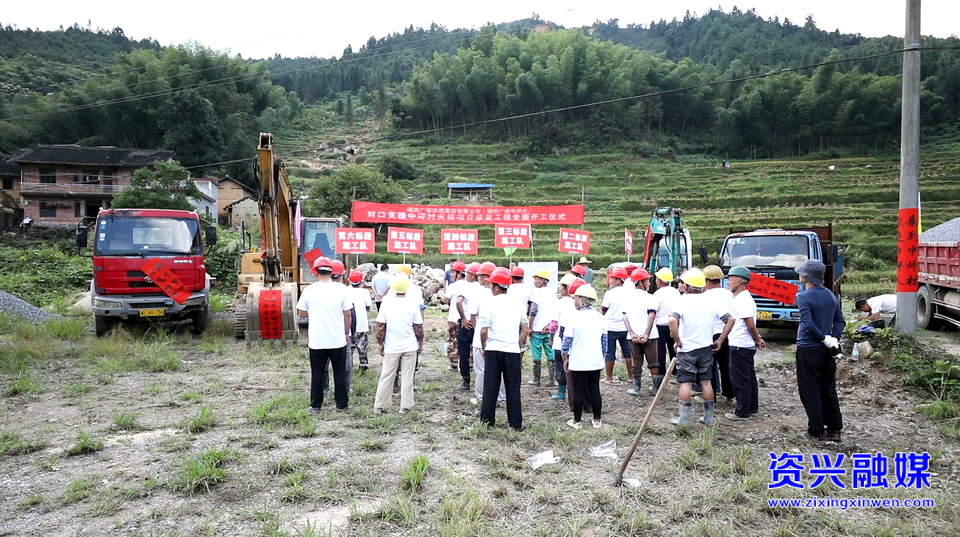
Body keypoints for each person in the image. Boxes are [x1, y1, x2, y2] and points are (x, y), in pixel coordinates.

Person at [794, 259, 845, 442]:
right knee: (828, 389)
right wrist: (833, 338)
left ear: (806, 276)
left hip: (808, 349)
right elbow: (840, 321)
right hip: (827, 351)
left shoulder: (803, 296)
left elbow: (807, 324)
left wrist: (822, 337)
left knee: (810, 390)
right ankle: (834, 429)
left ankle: (815, 430)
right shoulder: (830, 295)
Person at [296, 257, 353, 413]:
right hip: (337, 340)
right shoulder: (342, 290)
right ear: (332, 271)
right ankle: (342, 404)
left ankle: (315, 405)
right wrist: (346, 333)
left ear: (315, 272)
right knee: (339, 373)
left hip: (317, 340)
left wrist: (315, 313)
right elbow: (347, 314)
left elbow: (301, 312)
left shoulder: (309, 290)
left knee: (318, 373)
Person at [712, 266, 766, 421]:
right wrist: (721, 339)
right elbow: (732, 321)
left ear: (741, 281)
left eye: (731, 278)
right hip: (739, 344)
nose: (727, 281)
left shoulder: (744, 300)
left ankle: (742, 412)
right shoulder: (737, 299)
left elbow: (750, 325)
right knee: (748, 376)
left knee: (740, 378)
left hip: (741, 345)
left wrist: (757, 338)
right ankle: (751, 408)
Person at [668, 268, 720, 426]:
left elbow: (671, 321)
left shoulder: (682, 301)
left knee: (686, 383)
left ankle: (684, 420)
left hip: (688, 349)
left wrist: (677, 340)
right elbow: (729, 318)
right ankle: (709, 418)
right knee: (706, 382)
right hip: (705, 348)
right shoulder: (710, 301)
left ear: (688, 285)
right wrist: (721, 339)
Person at [479, 268, 528, 430]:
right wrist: (518, 345)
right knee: (513, 389)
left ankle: (487, 423)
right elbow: (525, 330)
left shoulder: (489, 303)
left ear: (497, 287)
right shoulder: (519, 304)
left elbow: (484, 330)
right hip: (512, 351)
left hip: (493, 349)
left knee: (490, 387)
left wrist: (484, 347)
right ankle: (515, 424)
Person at [373, 273, 423, 414]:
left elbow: (380, 326)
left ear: (393, 286)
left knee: (387, 375)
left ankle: (379, 405)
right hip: (409, 346)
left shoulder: (386, 303)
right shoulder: (413, 304)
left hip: (391, 346)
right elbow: (418, 327)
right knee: (407, 376)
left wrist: (381, 343)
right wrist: (420, 342)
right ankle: (405, 406)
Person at [562, 283, 607, 429]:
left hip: (578, 360)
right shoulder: (600, 318)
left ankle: (577, 421)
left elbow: (566, 342)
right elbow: (604, 342)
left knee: (578, 390)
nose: (574, 301)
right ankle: (597, 420)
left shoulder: (573, 318)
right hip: (595, 359)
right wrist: (602, 357)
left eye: (575, 298)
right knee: (595, 389)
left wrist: (565, 358)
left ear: (582, 300)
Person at [468, 262, 506, 406]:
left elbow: (473, 315)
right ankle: (501, 398)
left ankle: (481, 398)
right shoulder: (501, 294)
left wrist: (475, 327)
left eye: (480, 276)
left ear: (486, 277)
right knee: (500, 371)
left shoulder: (477, 293)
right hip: (498, 337)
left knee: (481, 371)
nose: (478, 278)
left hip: (481, 337)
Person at [623, 268, 658, 397]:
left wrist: (632, 333)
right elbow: (652, 316)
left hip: (633, 336)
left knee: (636, 361)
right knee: (653, 362)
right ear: (641, 282)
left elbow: (625, 317)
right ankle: (655, 389)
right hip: (651, 335)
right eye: (647, 280)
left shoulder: (627, 298)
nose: (649, 283)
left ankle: (636, 389)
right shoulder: (651, 297)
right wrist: (647, 334)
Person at [703, 264, 734, 403]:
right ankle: (729, 395)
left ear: (707, 280)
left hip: (711, 333)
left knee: (709, 365)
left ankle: (712, 394)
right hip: (727, 333)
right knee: (726, 365)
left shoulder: (705, 295)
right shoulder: (729, 293)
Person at [651, 267, 680, 395]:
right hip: (674, 323)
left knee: (660, 351)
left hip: (660, 325)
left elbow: (654, 310)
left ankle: (661, 373)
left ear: (660, 280)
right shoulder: (676, 292)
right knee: (674, 348)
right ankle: (676, 371)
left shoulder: (658, 294)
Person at [601, 266, 632, 385]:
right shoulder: (629, 293)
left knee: (610, 353)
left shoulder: (610, 294)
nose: (610, 281)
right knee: (628, 352)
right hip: (625, 326)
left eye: (612, 279)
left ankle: (609, 377)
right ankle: (630, 377)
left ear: (618, 280)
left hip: (610, 327)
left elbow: (604, 309)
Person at [549, 274, 578, 400]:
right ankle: (574, 391)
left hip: (559, 341)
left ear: (566, 289)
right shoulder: (577, 302)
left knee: (560, 366)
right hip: (574, 341)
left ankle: (561, 392)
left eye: (561, 287)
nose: (559, 289)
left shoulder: (559, 303)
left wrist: (551, 338)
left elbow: (554, 324)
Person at [455, 262, 482, 391]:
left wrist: (464, 318)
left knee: (464, 353)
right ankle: (482, 380)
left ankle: (466, 381)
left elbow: (458, 301)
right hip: (481, 325)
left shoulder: (467, 287)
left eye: (468, 273)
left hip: (467, 325)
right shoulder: (485, 288)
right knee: (482, 353)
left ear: (473, 275)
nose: (466, 275)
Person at [527, 269, 556, 387]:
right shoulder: (553, 293)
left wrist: (529, 327)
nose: (535, 281)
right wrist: (550, 325)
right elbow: (556, 311)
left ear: (543, 281)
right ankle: (551, 380)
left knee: (536, 356)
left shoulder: (537, 294)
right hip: (548, 329)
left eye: (536, 279)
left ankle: (536, 380)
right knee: (551, 354)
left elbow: (533, 311)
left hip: (537, 330)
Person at [442, 260, 468, 371]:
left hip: (454, 317)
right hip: (466, 318)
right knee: (467, 341)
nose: (451, 274)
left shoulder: (453, 286)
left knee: (453, 340)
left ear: (458, 273)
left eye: (453, 272)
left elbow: (444, 299)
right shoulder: (469, 285)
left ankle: (453, 362)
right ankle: (469, 362)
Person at [347, 269, 372, 372]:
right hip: (362, 324)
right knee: (362, 346)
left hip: (349, 324)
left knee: (350, 348)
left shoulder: (345, 291)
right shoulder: (365, 292)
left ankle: (349, 367)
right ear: (361, 281)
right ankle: (363, 365)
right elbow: (368, 307)